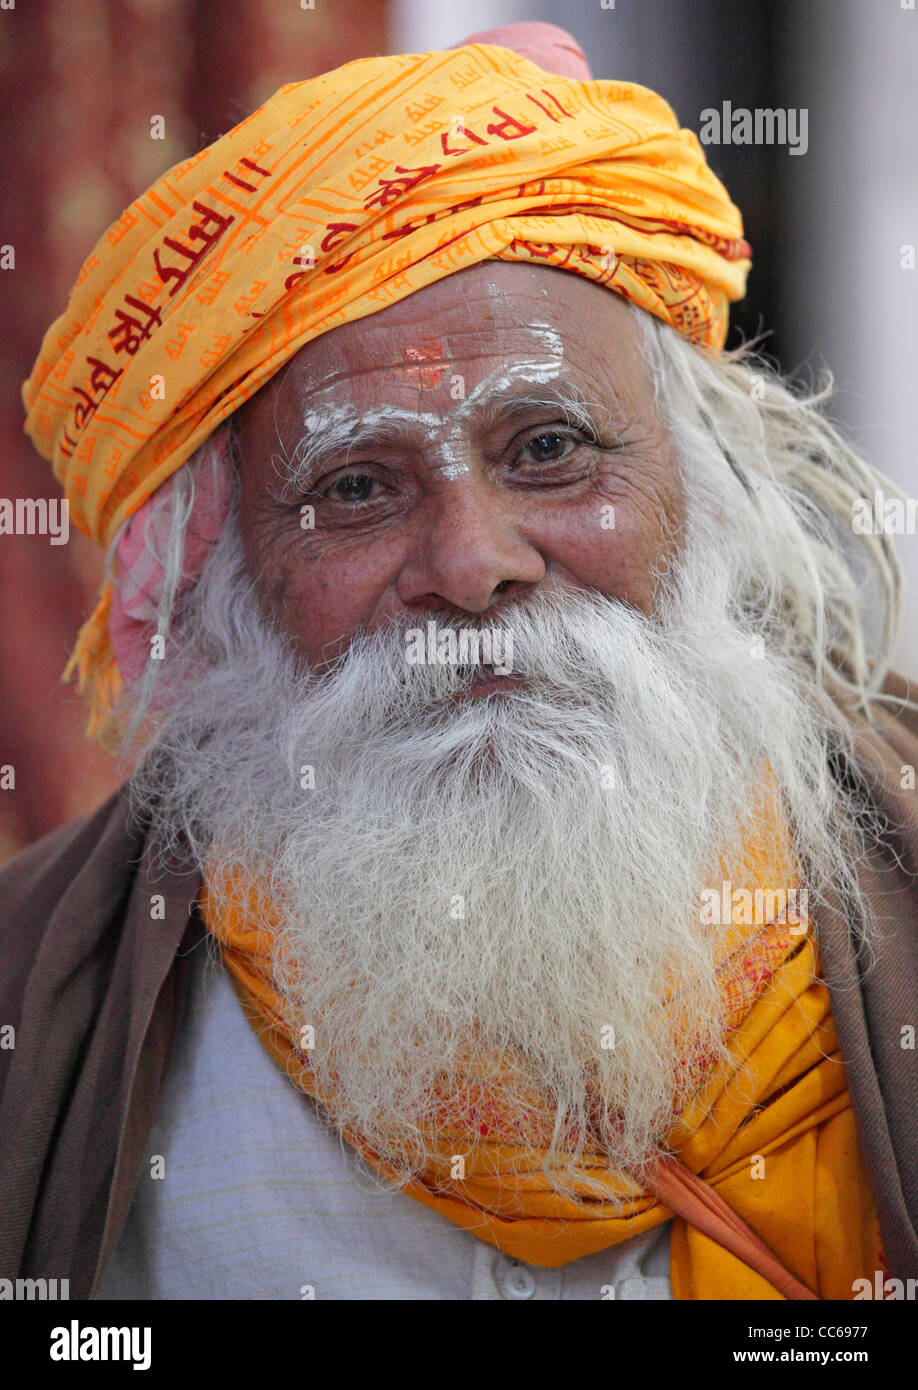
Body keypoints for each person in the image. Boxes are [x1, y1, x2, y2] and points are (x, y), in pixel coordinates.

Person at [2, 22, 916, 1302]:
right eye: (357, 487)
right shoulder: (39, 1006)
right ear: (222, 579)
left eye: (549, 449)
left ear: (699, 489)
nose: (473, 564)